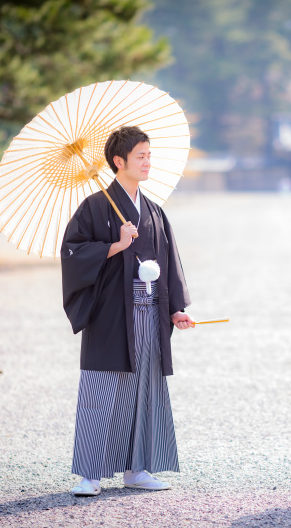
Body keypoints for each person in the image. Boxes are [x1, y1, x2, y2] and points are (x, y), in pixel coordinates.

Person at [60, 125, 194, 496]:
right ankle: (90, 474)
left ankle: (139, 468)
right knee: (103, 388)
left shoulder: (153, 211)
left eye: (149, 155)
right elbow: (71, 253)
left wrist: (176, 310)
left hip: (150, 311)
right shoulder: (95, 206)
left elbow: (169, 261)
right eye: (141, 156)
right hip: (111, 313)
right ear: (119, 162)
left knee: (145, 390)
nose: (148, 161)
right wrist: (116, 246)